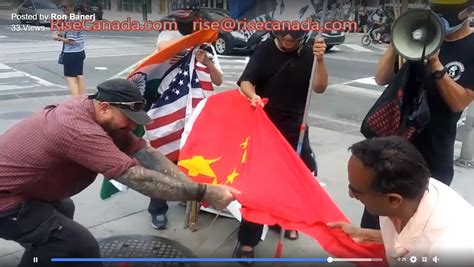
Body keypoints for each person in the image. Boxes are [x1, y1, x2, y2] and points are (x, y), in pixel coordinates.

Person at [0, 78, 238, 267]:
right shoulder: (77, 128)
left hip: (28, 190)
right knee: (80, 246)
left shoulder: (97, 112)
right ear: (104, 108)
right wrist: (205, 194)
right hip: (6, 200)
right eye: (129, 119)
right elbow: (136, 177)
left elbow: (144, 153)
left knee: (63, 213)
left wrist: (189, 184)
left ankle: (45, 254)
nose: (133, 126)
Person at [362, 0, 474, 231]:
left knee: (420, 228)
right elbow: (382, 78)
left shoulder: (471, 46)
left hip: (434, 154)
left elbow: (458, 102)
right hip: (395, 148)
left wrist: (435, 63)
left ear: (468, 10)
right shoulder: (422, 34)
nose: (440, 15)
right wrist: (398, 40)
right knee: (377, 223)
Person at [235, 28, 328, 262]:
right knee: (259, 183)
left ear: (303, 36)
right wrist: (252, 96)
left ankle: (282, 221)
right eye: (282, 35)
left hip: (296, 126)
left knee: (296, 178)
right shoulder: (265, 49)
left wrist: (320, 59)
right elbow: (246, 81)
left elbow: (319, 87)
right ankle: (247, 240)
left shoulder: (309, 53)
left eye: (294, 36)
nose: (287, 39)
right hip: (265, 124)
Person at [328, 136, 474, 266]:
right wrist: (362, 234)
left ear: (393, 200)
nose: (350, 195)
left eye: (356, 192)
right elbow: (407, 238)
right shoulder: (411, 191)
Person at [145, 6, 223, 230]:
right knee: (163, 161)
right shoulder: (169, 35)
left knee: (190, 158)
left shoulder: (207, 47)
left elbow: (218, 80)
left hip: (197, 112)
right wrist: (186, 49)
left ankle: (186, 195)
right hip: (169, 107)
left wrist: (206, 60)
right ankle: (157, 208)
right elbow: (163, 49)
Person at [52, 0, 86, 97]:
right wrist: (62, 35)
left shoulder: (72, 21)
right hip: (79, 52)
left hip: (71, 54)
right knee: (79, 76)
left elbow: (71, 41)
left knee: (70, 78)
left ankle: (76, 101)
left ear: (72, 7)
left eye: (65, 7)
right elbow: (73, 36)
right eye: (62, 7)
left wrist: (58, 38)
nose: (63, 9)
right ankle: (82, 99)